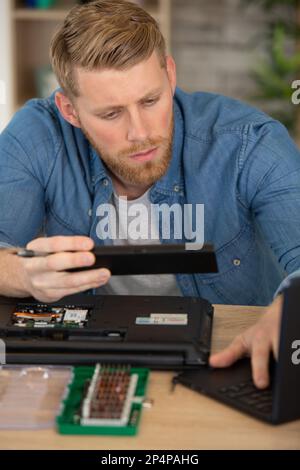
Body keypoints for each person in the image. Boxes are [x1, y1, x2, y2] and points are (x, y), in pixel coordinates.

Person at [0, 0, 300, 389]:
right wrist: (20, 274)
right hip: (88, 368)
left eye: (150, 100)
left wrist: (293, 309)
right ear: (70, 110)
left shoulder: (248, 143)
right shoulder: (36, 136)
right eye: (111, 114)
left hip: (230, 362)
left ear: (170, 74)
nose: (140, 132)